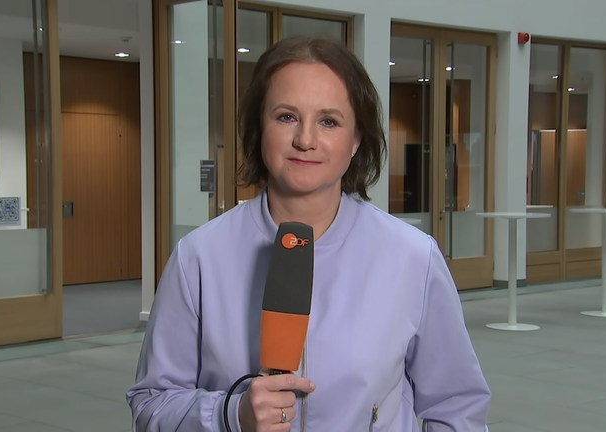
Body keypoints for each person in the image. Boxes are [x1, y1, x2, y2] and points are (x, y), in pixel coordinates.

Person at [127, 35, 491, 432]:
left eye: (329, 121)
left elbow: (458, 407)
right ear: (258, 128)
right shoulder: (197, 258)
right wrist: (230, 414)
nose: (305, 139)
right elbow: (151, 405)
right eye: (286, 116)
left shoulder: (412, 258)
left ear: (355, 140)